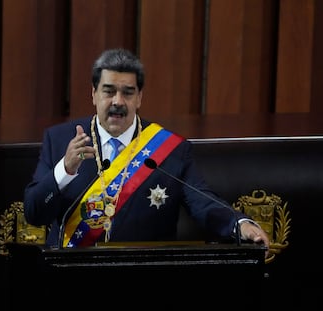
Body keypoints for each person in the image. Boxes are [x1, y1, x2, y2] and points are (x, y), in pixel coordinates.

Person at [23, 48, 269, 256]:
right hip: (71, 280)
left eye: (127, 93)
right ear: (94, 94)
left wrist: (240, 224)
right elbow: (34, 213)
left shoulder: (171, 149)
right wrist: (65, 169)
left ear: (139, 97)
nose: (118, 101)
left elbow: (203, 201)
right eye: (108, 91)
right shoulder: (59, 140)